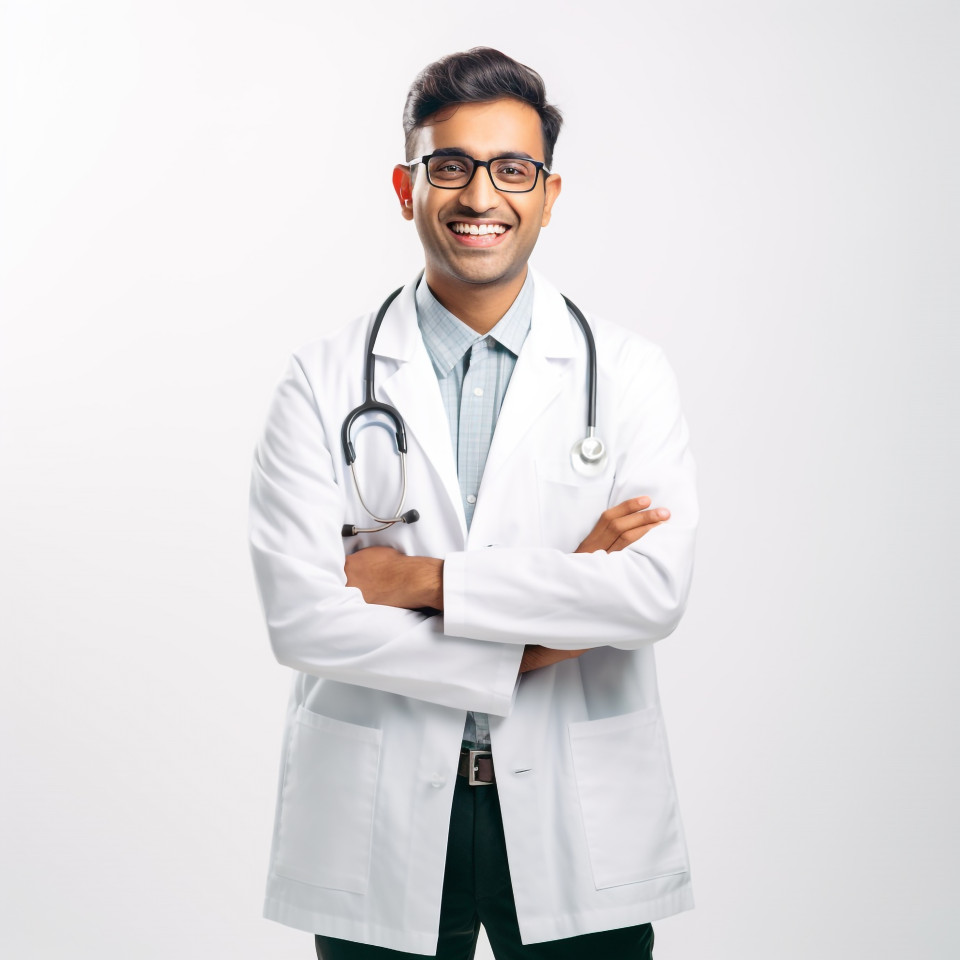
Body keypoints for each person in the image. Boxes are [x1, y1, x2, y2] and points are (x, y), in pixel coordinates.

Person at [249, 47, 698, 960]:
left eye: (512, 169)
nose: (480, 195)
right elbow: (304, 621)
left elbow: (652, 595)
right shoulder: (320, 381)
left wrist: (419, 581)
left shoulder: (629, 375)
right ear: (405, 186)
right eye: (449, 165)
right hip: (380, 815)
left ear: (549, 193)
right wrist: (555, 612)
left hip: (575, 813)